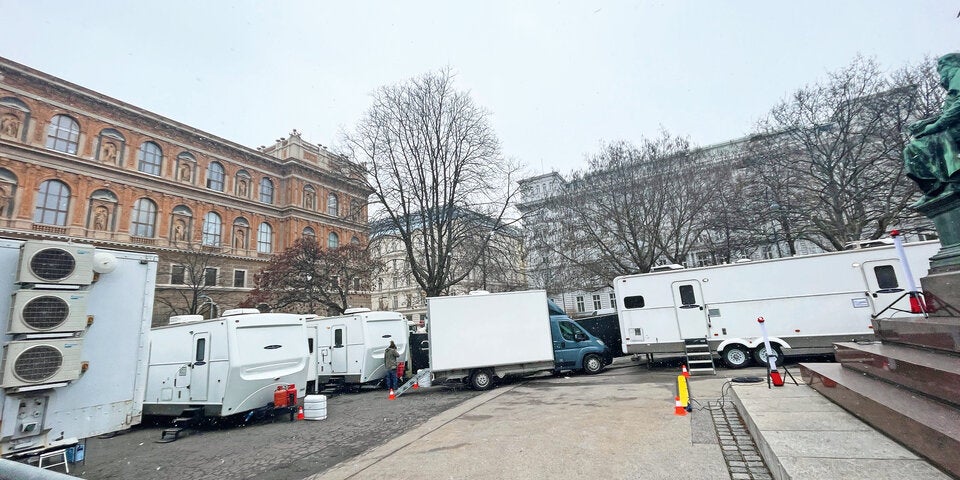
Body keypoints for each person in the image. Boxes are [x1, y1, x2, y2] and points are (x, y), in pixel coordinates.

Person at [903, 53, 960, 203]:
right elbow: (948, 112)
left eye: (942, 70)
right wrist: (924, 124)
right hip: (953, 126)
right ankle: (935, 187)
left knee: (927, 143)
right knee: (911, 149)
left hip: (955, 128)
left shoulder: (959, 75)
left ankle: (953, 179)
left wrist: (937, 125)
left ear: (950, 67)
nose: (941, 76)